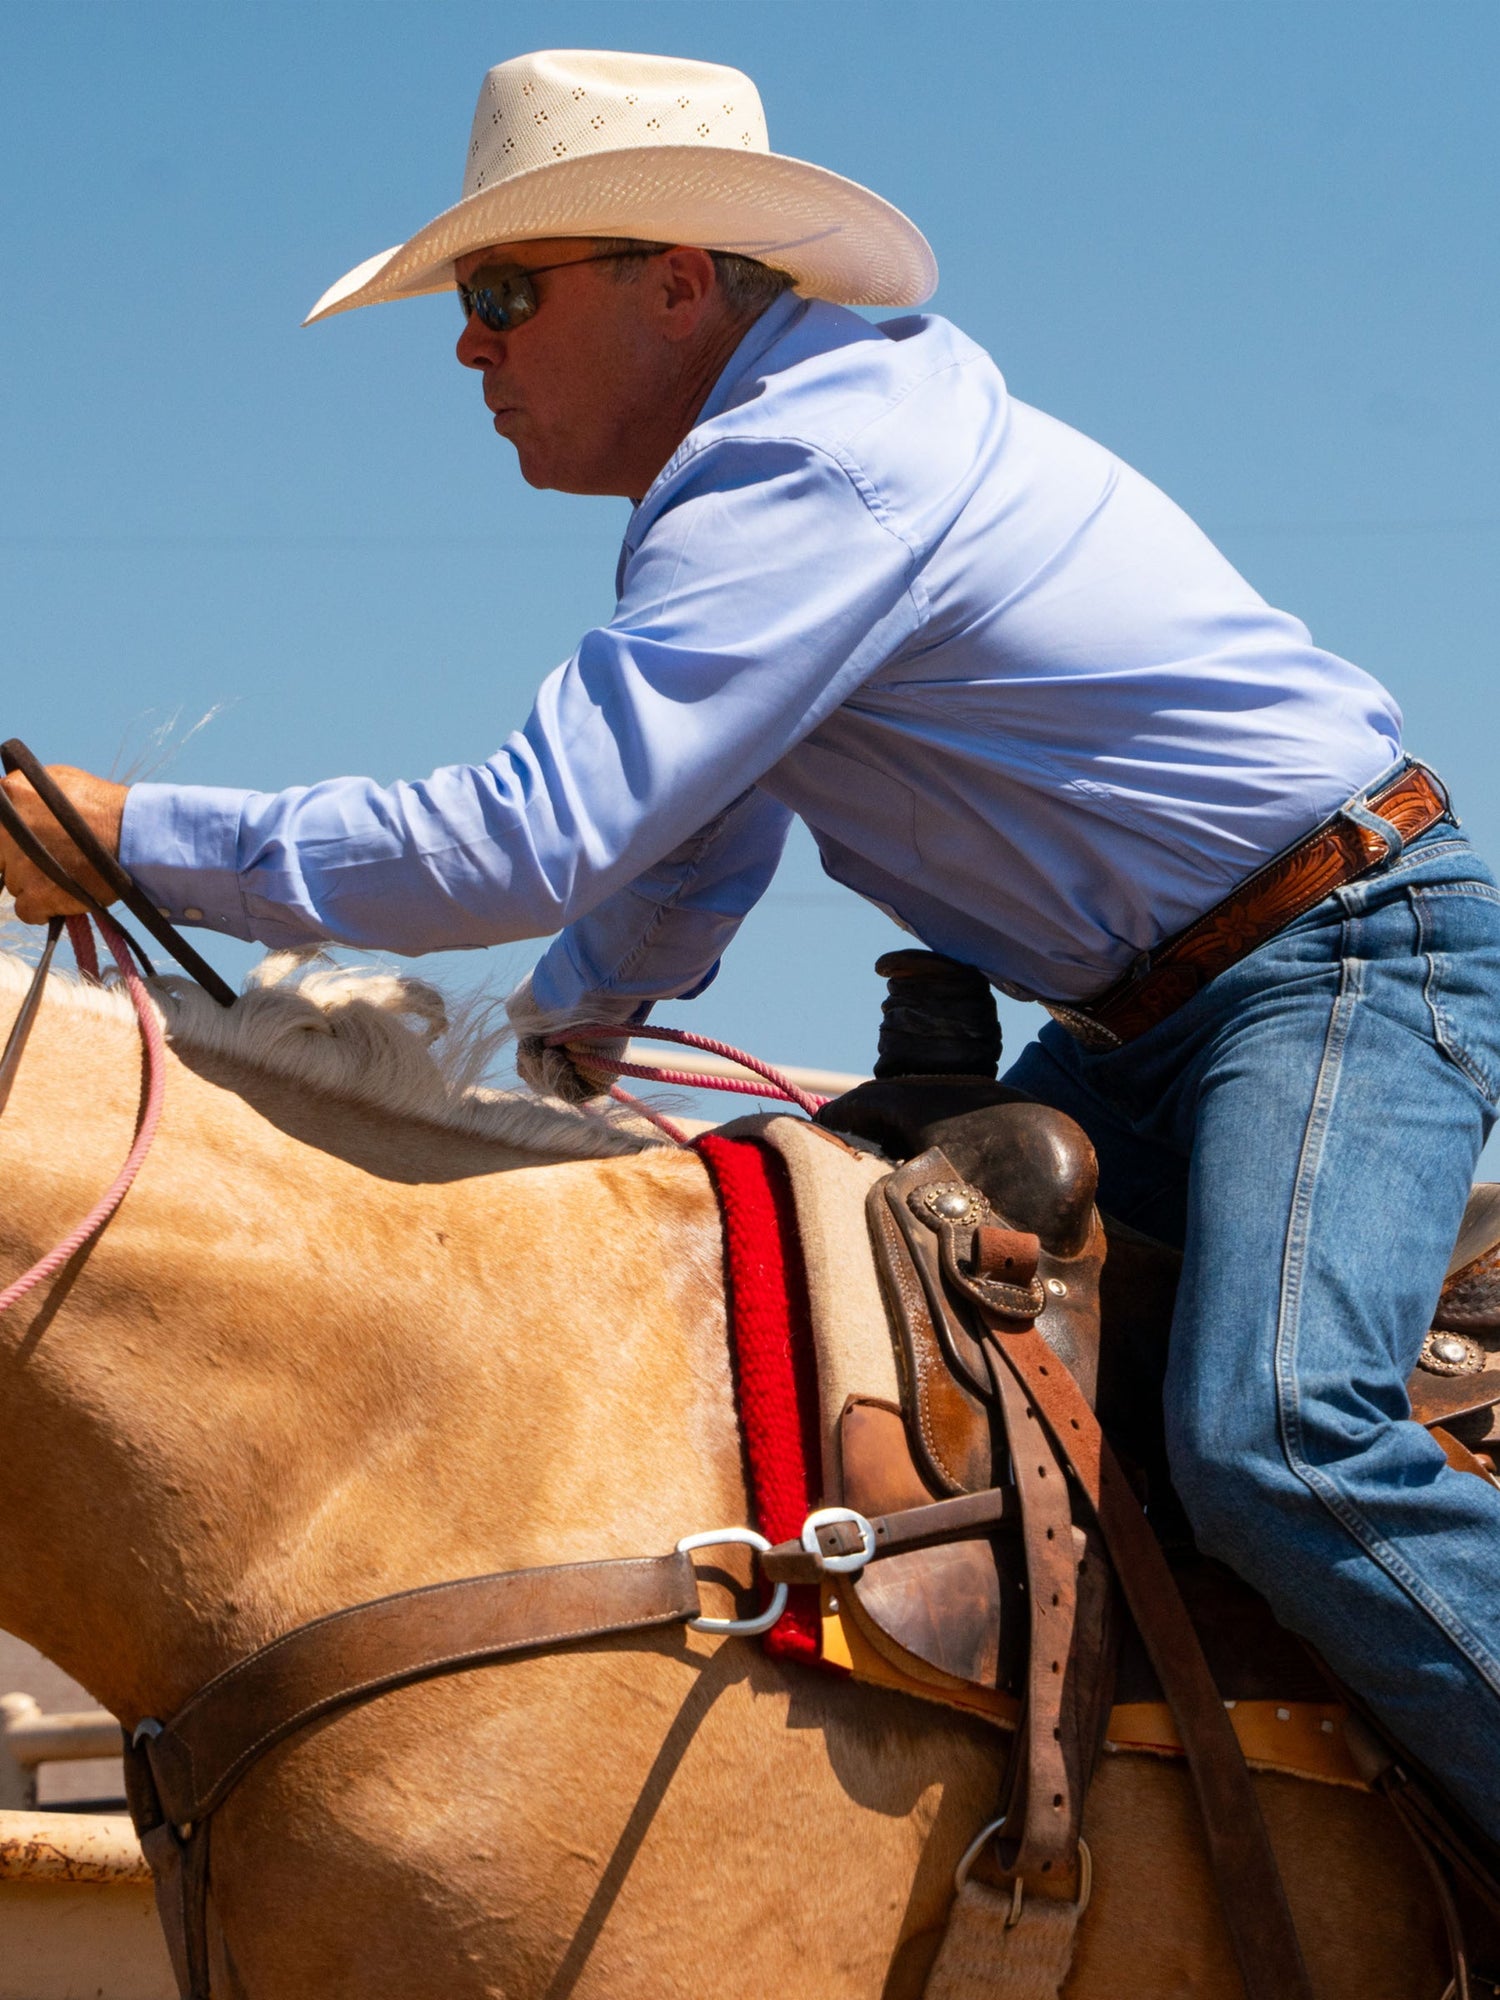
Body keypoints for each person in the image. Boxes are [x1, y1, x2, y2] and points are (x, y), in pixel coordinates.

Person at [4, 47, 1500, 1842]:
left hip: (1341, 959)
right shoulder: (766, 480)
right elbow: (689, 838)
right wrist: (572, 1051)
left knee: (1277, 1441)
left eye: (497, 296)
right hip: (1151, 1023)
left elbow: (527, 837)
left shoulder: (810, 467)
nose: (469, 350)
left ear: (680, 284)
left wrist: (127, 832)